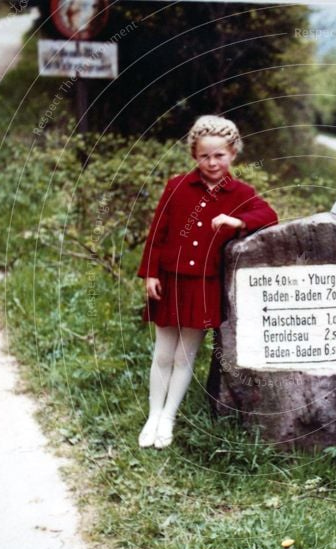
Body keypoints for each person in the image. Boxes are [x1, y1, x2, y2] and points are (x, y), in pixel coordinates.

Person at [136, 115, 278, 449]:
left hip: (204, 286)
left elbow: (269, 216)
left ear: (233, 154)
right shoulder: (177, 186)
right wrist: (151, 273)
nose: (212, 163)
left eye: (220, 155)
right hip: (171, 281)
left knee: (185, 356)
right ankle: (153, 415)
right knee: (163, 353)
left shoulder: (241, 192)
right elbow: (158, 232)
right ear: (194, 156)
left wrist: (236, 219)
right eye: (204, 156)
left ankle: (169, 417)